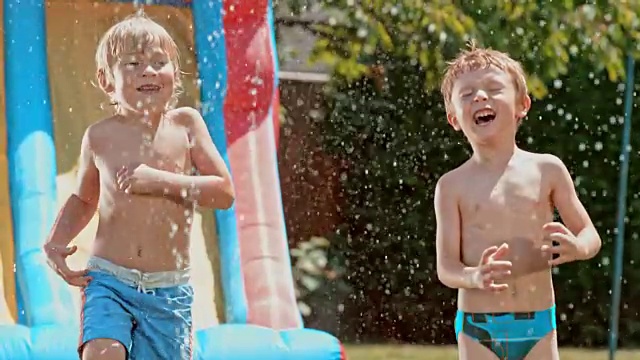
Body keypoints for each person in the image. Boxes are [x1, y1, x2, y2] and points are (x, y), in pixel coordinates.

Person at [43, 12, 235, 360]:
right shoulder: (99, 136)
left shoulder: (186, 125)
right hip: (109, 280)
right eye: (133, 63)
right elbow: (84, 199)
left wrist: (160, 181)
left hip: (169, 288)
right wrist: (56, 241)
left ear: (174, 75)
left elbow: (223, 191)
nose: (149, 70)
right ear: (106, 80)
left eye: (159, 62)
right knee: (103, 353)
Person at [435, 42, 602, 360]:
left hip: (538, 323)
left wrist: (578, 248)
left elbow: (590, 235)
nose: (480, 97)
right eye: (467, 94)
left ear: (522, 104)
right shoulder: (451, 186)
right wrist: (473, 276)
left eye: (492, 88)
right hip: (478, 327)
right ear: (454, 118)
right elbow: (446, 267)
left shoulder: (546, 169)